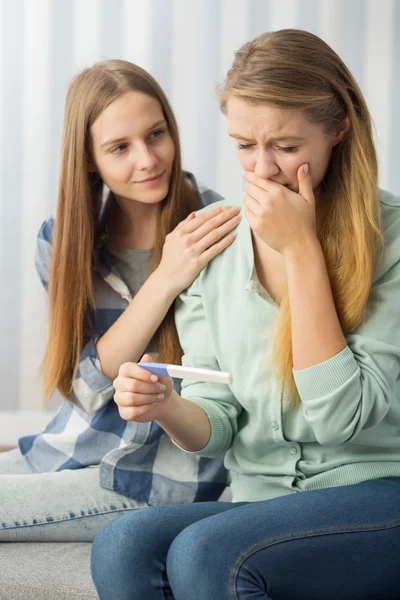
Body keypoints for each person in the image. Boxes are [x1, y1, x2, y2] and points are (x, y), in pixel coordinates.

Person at [90, 30, 400, 600]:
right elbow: (220, 418)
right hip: (264, 502)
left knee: (208, 554)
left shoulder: (394, 238)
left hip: (380, 491)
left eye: (285, 146)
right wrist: (169, 408)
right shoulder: (217, 240)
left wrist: (302, 250)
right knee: (124, 545)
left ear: (338, 128)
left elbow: (340, 418)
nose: (262, 170)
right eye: (243, 145)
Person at [0, 59, 239, 542]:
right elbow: (87, 386)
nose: (147, 159)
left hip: (165, 472)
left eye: (155, 135)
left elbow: (231, 394)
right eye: (120, 148)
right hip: (81, 443)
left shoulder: (221, 231)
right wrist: (167, 277)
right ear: (89, 158)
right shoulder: (63, 240)